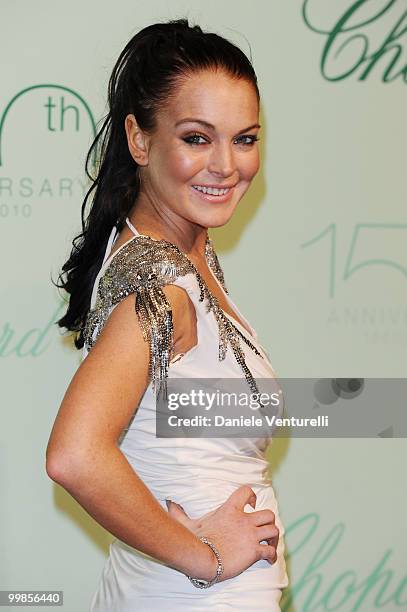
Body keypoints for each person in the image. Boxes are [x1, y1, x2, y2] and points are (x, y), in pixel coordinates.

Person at [46, 18, 289, 611]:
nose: (227, 165)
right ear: (140, 139)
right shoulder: (163, 284)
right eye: (197, 138)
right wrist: (200, 556)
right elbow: (75, 456)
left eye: (246, 138)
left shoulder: (183, 255)